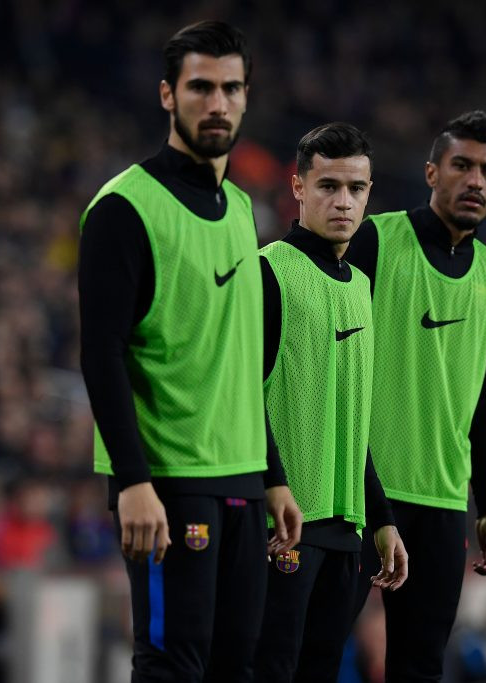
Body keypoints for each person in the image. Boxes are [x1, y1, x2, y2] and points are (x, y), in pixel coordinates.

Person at [77, 21, 301, 681]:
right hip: (168, 482)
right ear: (168, 96)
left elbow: (239, 361)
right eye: (201, 86)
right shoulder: (125, 207)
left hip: (241, 480)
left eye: (231, 88)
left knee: (238, 667)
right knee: (173, 664)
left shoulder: (240, 208)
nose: (218, 102)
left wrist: (274, 473)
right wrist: (133, 481)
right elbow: (101, 354)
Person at [344, 110, 486, 681]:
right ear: (431, 173)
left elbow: (484, 395)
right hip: (358, 491)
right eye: (461, 166)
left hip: (442, 503)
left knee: (420, 669)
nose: (475, 181)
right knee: (309, 654)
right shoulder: (373, 239)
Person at [252, 123, 409, 683]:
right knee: (270, 669)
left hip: (348, 530)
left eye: (356, 188)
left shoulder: (360, 286)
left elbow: (354, 421)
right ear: (297, 187)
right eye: (328, 186)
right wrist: (274, 485)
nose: (343, 201)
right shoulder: (268, 271)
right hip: (288, 525)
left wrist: (383, 520)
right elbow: (245, 398)